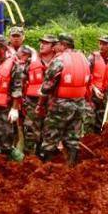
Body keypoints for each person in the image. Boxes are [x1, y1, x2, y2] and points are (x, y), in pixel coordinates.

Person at [36, 34, 90, 167]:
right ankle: (71, 166)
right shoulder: (84, 59)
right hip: (80, 103)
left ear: (64, 45)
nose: (54, 47)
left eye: (57, 44)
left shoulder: (59, 60)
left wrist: (40, 100)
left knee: (51, 135)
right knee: (73, 137)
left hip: (61, 105)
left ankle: (46, 167)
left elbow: (47, 86)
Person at [22, 35, 58, 156]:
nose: (42, 45)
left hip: (52, 101)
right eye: (41, 42)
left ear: (53, 47)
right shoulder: (30, 61)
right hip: (33, 100)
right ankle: (29, 159)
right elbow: (21, 80)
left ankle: (46, 159)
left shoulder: (59, 61)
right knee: (31, 131)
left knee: (50, 130)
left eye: (46, 43)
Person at [87, 35, 108, 134]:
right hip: (92, 92)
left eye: (104, 44)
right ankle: (88, 137)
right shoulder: (93, 57)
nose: (101, 46)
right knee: (90, 117)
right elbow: (87, 76)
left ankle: (98, 136)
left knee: (101, 116)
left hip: (104, 92)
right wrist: (95, 89)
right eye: (100, 43)